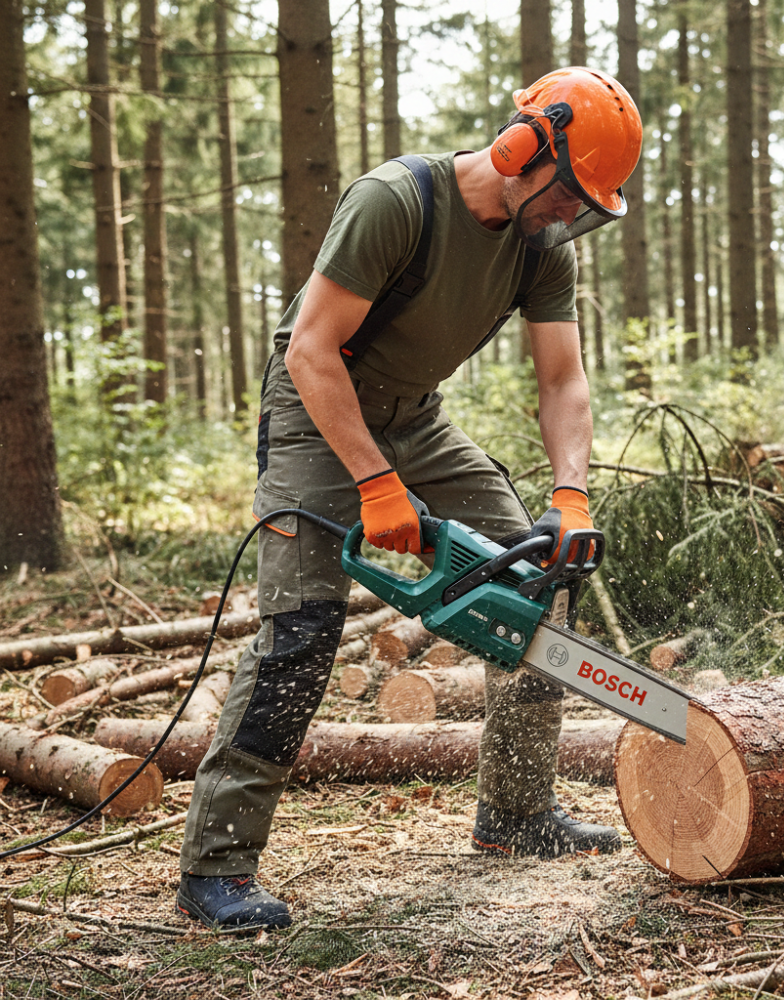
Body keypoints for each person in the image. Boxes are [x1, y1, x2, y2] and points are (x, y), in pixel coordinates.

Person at [176, 66, 643, 931]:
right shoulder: (398, 201)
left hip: (415, 416)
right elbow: (311, 352)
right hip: (317, 406)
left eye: (586, 203)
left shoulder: (542, 246)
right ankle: (217, 867)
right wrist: (374, 484)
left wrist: (570, 496)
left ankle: (515, 813)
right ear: (523, 148)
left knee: (541, 576)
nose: (566, 213)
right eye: (568, 192)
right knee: (302, 630)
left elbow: (563, 378)